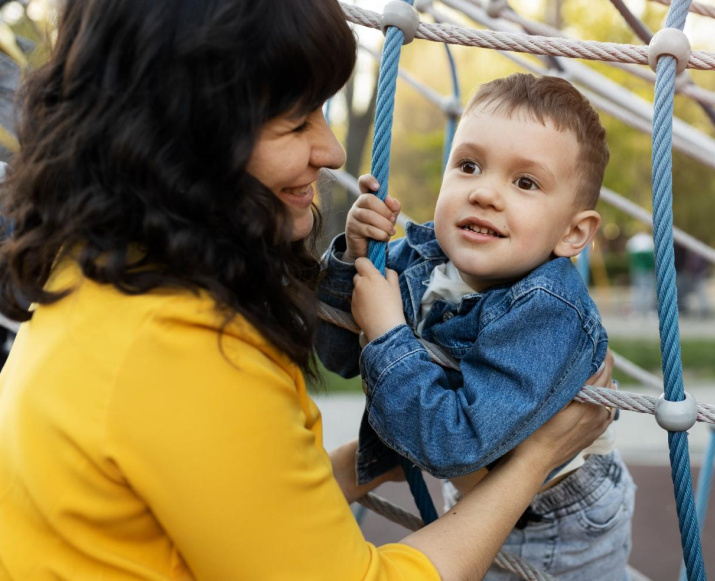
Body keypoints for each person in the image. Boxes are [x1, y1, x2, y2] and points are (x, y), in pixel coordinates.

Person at [0, 2, 617, 580]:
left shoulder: (99, 272)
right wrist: (538, 454)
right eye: (297, 122)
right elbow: (345, 356)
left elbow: (243, 500)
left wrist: (369, 459)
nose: (332, 150)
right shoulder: (180, 347)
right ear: (189, 141)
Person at [316, 74, 634, 580]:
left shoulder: (548, 310)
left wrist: (387, 332)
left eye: (525, 182)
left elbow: (453, 443)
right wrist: (352, 260)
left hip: (556, 517)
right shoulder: (423, 257)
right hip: (480, 486)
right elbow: (336, 358)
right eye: (468, 166)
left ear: (574, 233)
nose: (485, 192)